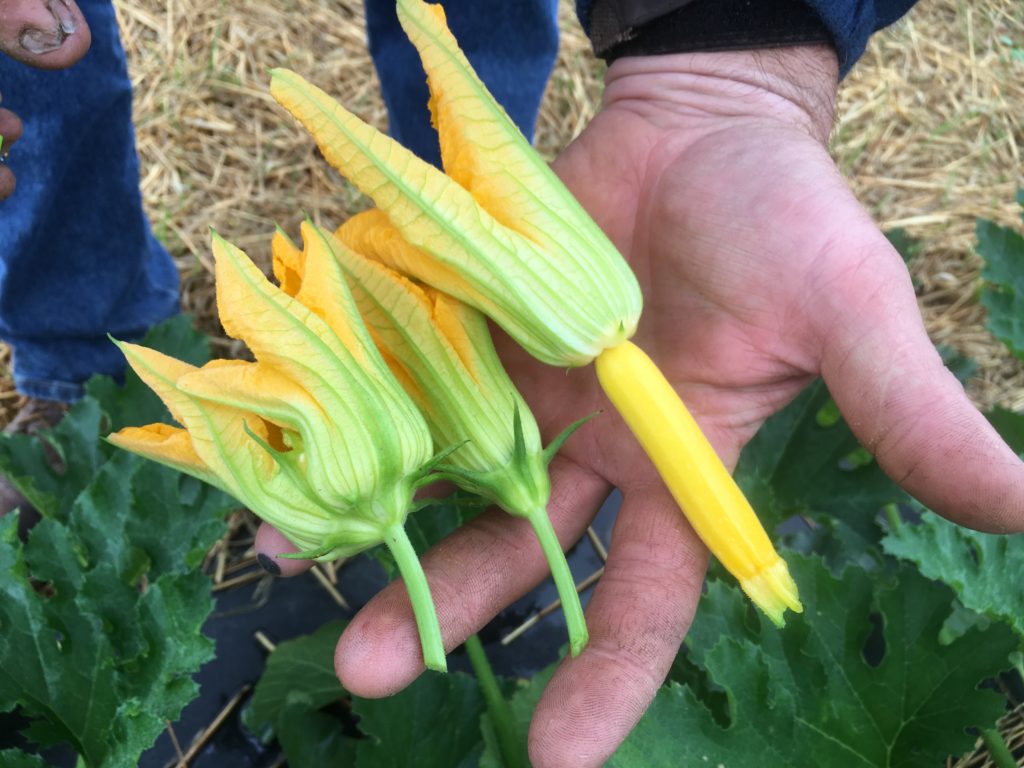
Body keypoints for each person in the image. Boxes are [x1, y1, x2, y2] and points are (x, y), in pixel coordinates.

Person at [2, 2, 1023, 767]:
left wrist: (727, 45)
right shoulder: (601, 324)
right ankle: (79, 375)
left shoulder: (603, 326)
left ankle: (82, 376)